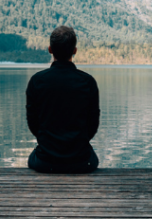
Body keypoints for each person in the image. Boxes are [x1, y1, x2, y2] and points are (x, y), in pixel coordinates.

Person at [26, 25, 100, 174]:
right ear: (74, 51)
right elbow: (93, 124)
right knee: (92, 157)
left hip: (45, 162)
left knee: (33, 157)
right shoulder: (88, 82)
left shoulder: (37, 81)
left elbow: (33, 123)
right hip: (81, 162)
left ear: (50, 49)